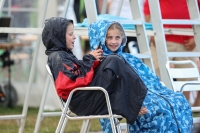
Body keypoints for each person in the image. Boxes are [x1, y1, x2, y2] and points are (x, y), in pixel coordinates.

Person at [88, 20, 193, 132]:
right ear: (100, 39)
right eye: (109, 37)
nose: (114, 41)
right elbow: (110, 89)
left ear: (122, 39)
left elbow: (151, 78)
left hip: (150, 93)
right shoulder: (100, 62)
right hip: (129, 99)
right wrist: (132, 104)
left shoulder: (128, 57)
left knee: (178, 100)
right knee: (157, 108)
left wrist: (158, 90)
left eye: (117, 37)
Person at [42, 17, 149, 127]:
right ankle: (136, 102)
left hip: (86, 97)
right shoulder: (58, 57)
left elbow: (77, 71)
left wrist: (91, 59)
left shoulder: (63, 54)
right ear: (58, 36)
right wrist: (90, 59)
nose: (74, 37)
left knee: (112, 60)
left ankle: (132, 104)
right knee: (114, 60)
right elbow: (74, 80)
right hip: (83, 102)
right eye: (70, 34)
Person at [143, 0, 200, 106]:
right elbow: (148, 7)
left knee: (186, 78)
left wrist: (196, 37)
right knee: (157, 75)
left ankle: (183, 109)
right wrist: (152, 32)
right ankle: (161, 109)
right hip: (161, 38)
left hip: (187, 41)